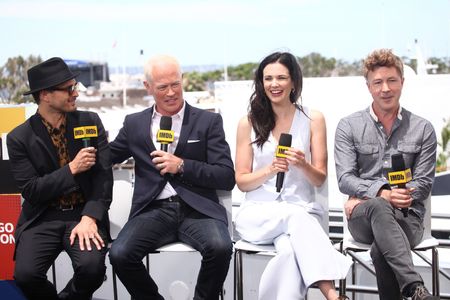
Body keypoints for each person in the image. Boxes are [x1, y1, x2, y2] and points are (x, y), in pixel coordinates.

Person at [108, 54, 235, 300]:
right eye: (162, 87)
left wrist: (183, 166)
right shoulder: (134, 124)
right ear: (148, 87)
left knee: (220, 248)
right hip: (153, 210)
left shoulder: (208, 121)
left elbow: (226, 176)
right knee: (120, 254)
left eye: (175, 84)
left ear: (182, 80)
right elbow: (107, 157)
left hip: (199, 209)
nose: (171, 93)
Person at [234, 51, 352, 300]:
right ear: (261, 83)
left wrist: (302, 164)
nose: (274, 84)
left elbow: (319, 178)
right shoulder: (248, 122)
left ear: (294, 82)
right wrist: (269, 169)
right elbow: (242, 181)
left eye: (281, 78)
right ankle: (332, 293)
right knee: (293, 215)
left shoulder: (313, 119)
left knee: (289, 254)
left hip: (301, 217)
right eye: (268, 79)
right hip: (257, 214)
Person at [334, 49, 438, 299]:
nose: (385, 89)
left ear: (402, 82)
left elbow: (423, 184)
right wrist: (382, 194)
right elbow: (344, 178)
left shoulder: (423, 128)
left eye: (392, 80)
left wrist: (374, 195)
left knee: (382, 248)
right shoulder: (349, 126)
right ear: (368, 86)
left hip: (409, 217)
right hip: (363, 219)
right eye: (378, 82)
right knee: (380, 206)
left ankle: (415, 290)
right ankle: (415, 288)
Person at [6, 57, 113, 300]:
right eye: (68, 89)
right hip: (43, 216)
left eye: (74, 86)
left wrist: (90, 217)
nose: (75, 93)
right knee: (25, 275)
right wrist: (72, 169)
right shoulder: (19, 138)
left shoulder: (90, 121)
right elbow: (32, 191)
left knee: (92, 268)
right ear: (45, 95)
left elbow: (103, 178)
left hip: (83, 214)